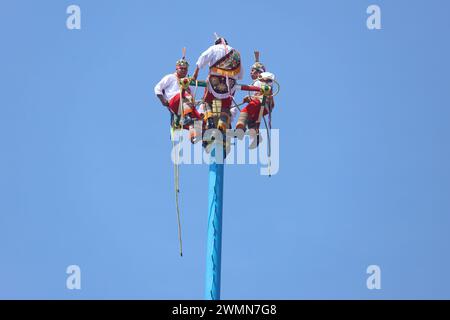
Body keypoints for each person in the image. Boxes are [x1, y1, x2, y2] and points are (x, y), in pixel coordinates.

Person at [192, 37, 243, 132]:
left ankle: (210, 120)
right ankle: (222, 124)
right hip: (229, 86)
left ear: (216, 43)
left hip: (214, 82)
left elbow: (202, 58)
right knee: (226, 106)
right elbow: (240, 75)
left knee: (206, 102)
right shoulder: (236, 53)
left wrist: (195, 75)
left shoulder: (214, 48)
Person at [154, 55, 201, 130]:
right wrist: (163, 100)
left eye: (185, 69)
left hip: (187, 104)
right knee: (185, 95)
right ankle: (185, 118)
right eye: (181, 68)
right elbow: (157, 88)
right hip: (174, 102)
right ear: (176, 69)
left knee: (200, 120)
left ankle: (198, 134)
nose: (183, 70)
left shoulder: (188, 83)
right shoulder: (170, 77)